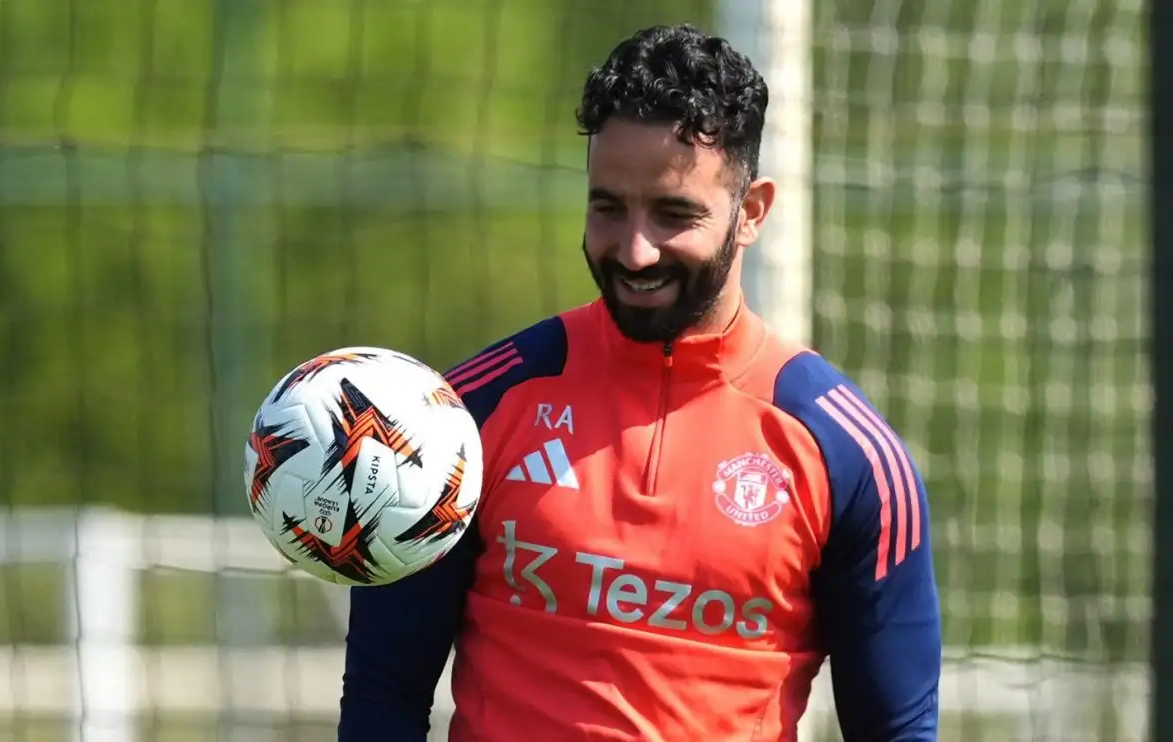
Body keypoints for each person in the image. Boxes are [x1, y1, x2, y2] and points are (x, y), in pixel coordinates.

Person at [339, 24, 941, 742]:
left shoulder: (851, 457)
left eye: (673, 213)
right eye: (608, 207)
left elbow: (900, 731)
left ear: (751, 213)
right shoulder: (462, 418)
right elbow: (382, 698)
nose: (634, 249)